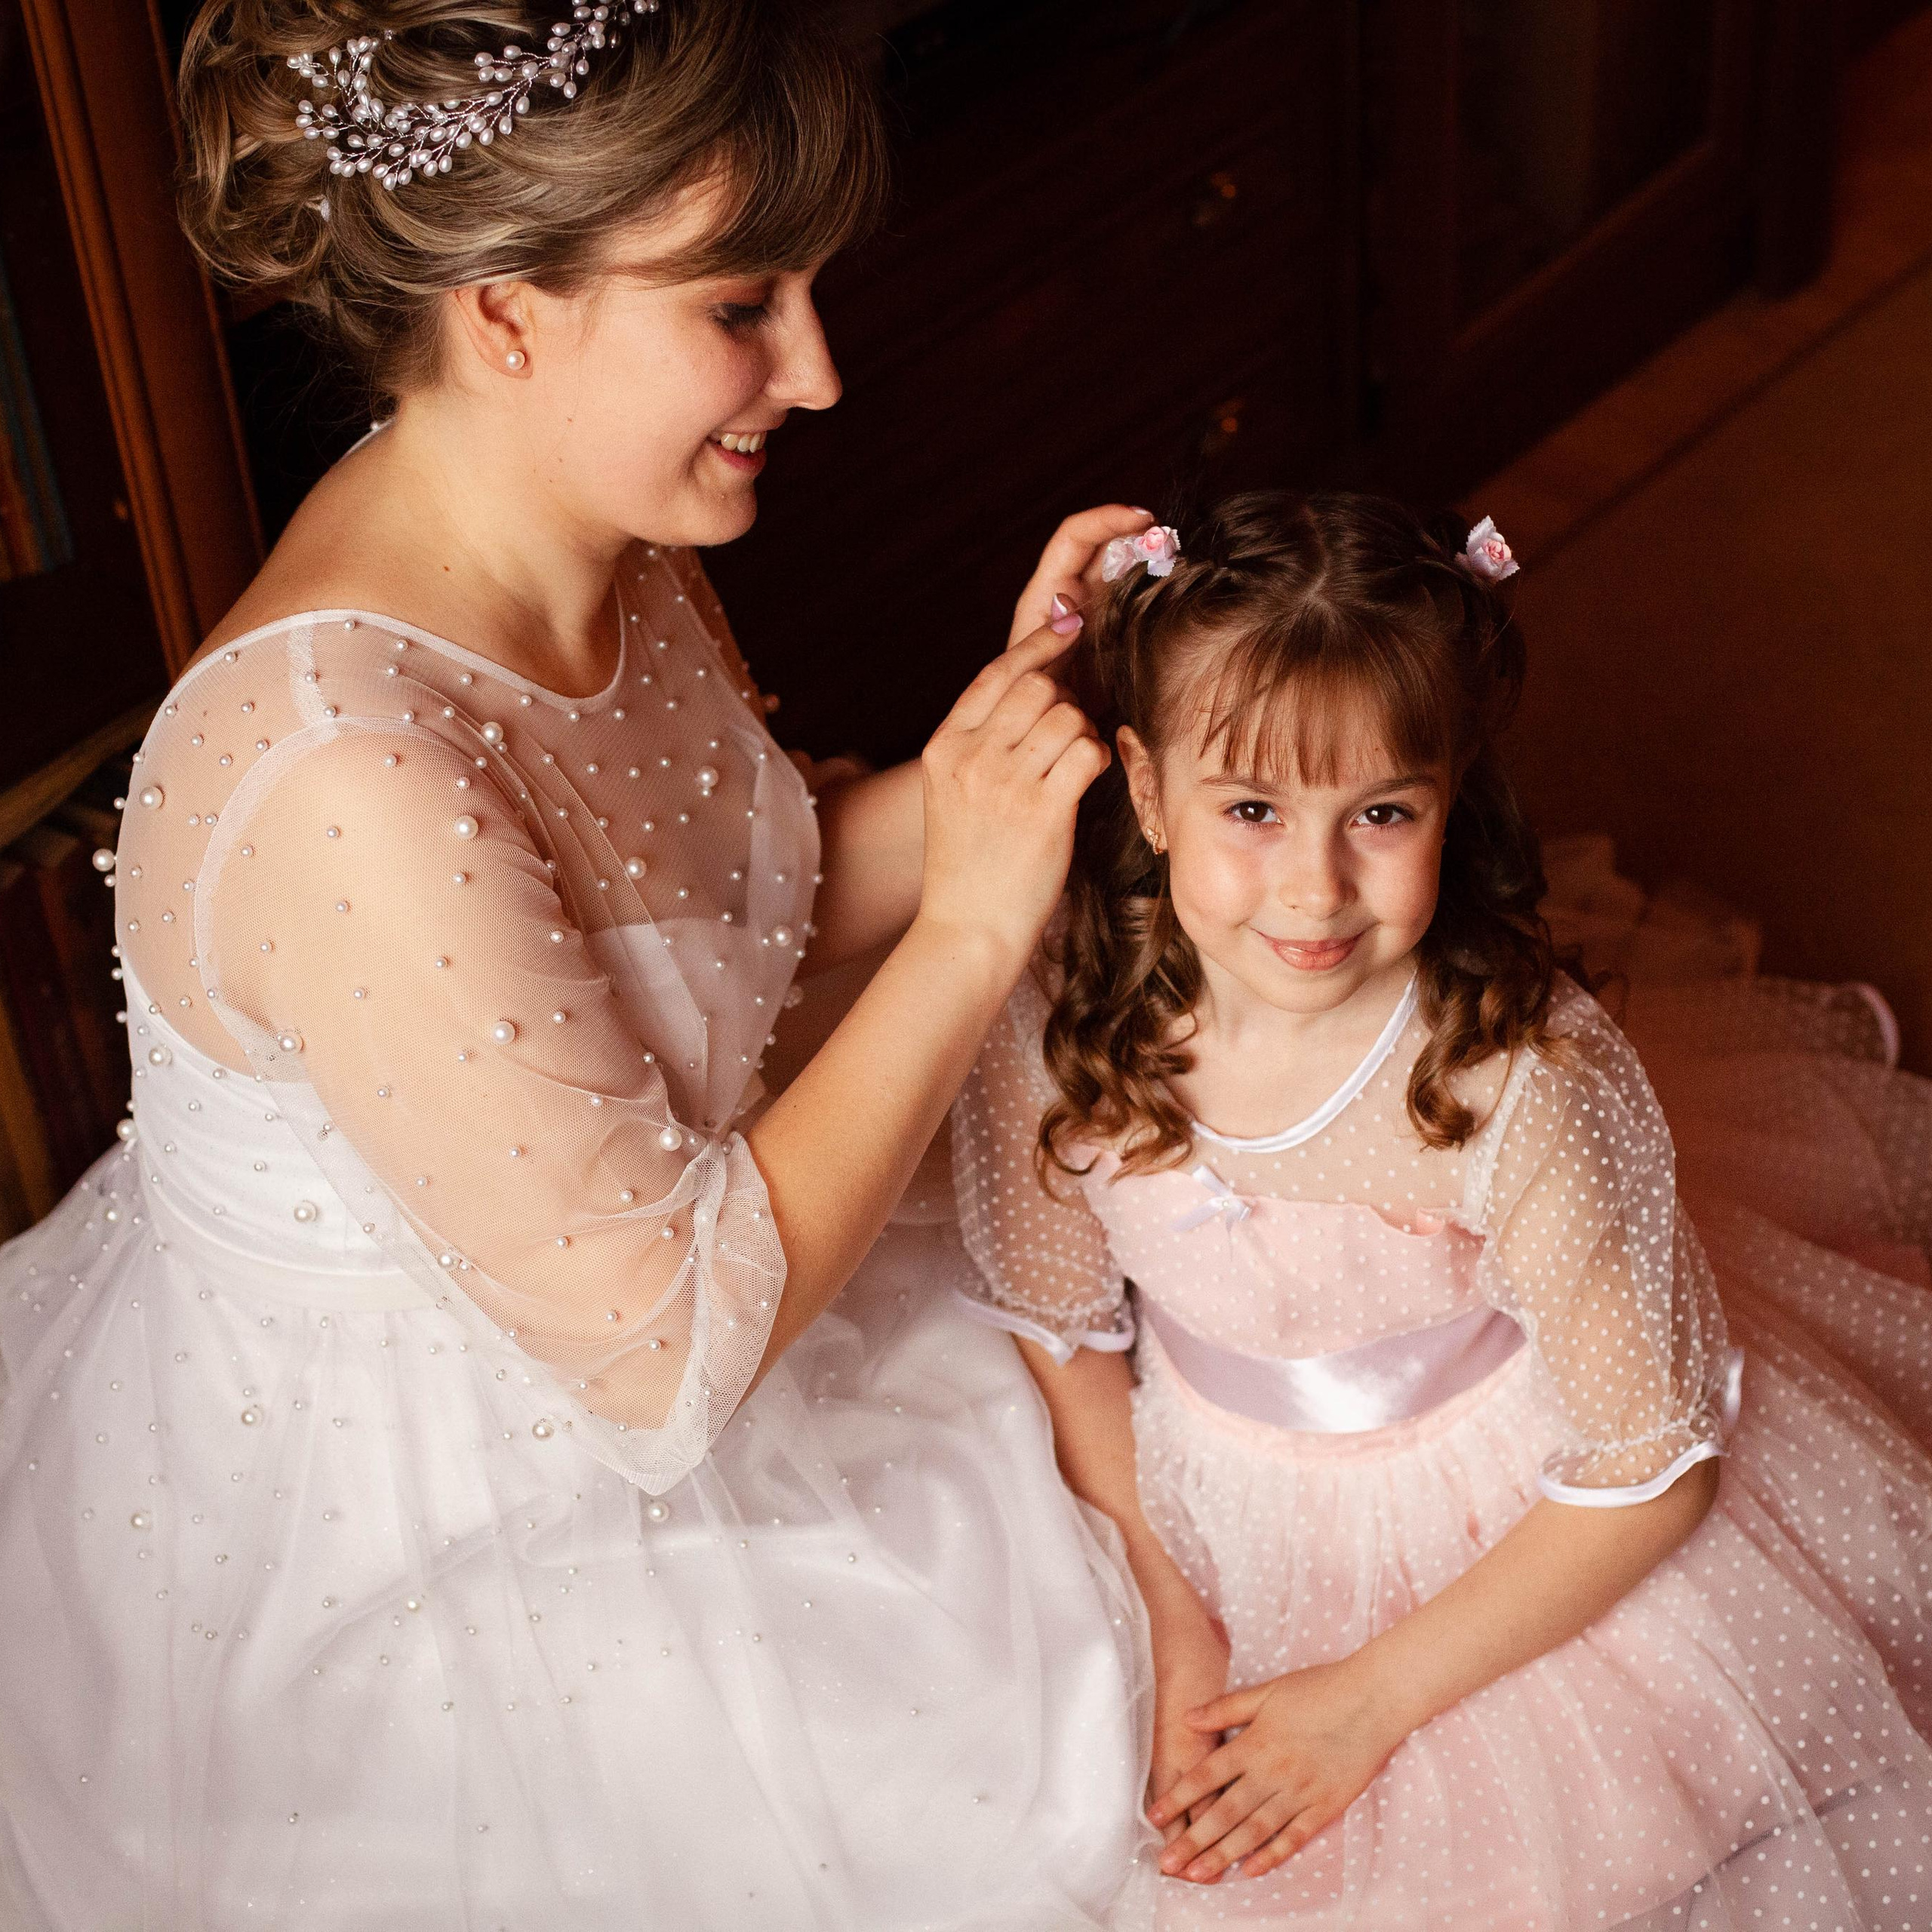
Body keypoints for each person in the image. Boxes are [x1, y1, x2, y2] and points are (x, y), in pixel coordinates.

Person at [0, 2, 1164, 1924]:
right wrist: (971, 926)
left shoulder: (597, 530)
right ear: (507, 313)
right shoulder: (349, 774)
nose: (817, 370)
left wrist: (1014, 742)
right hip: (479, 1498)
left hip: (673, 1251)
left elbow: (725, 921)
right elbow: (668, 1363)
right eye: (740, 304)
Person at [951, 489, 1932, 1927]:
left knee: (1553, 1853)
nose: (1315, 888)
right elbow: (1066, 1329)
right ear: (1148, 792)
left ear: (1450, 797)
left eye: (1382, 814)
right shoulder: (1053, 1010)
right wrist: (1169, 1599)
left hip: (1520, 1517)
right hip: (1192, 1490)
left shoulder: (1519, 1084)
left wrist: (1367, 1700)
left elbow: (1653, 1474)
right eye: (1251, 810)